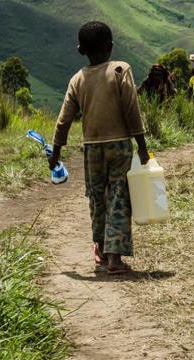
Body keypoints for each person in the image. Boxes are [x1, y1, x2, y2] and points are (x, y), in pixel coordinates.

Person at [50, 21, 150, 275]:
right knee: (118, 197)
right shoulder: (120, 70)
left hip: (91, 148)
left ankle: (102, 251)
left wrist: (56, 152)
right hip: (119, 145)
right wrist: (141, 144)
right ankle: (115, 259)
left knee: (97, 198)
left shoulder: (77, 79)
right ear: (110, 46)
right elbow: (131, 109)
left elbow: (63, 120)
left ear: (80, 49)